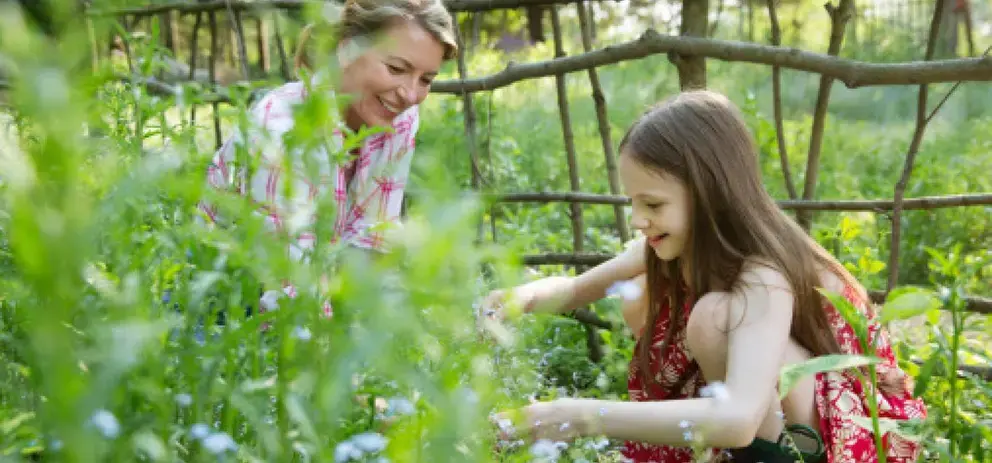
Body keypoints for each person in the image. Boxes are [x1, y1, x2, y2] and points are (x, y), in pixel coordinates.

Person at [483, 90, 926, 462]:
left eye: (653, 204)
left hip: (852, 432)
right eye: (633, 202)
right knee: (644, 293)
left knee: (712, 316)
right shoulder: (674, 243)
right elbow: (576, 289)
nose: (637, 220)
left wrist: (575, 415)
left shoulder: (762, 272)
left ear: (710, 194)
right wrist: (518, 298)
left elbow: (738, 418)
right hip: (773, 406)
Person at [197, 0, 458, 316]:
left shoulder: (398, 118)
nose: (410, 94)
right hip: (223, 310)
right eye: (396, 69)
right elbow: (290, 295)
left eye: (426, 80)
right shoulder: (284, 134)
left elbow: (373, 239)